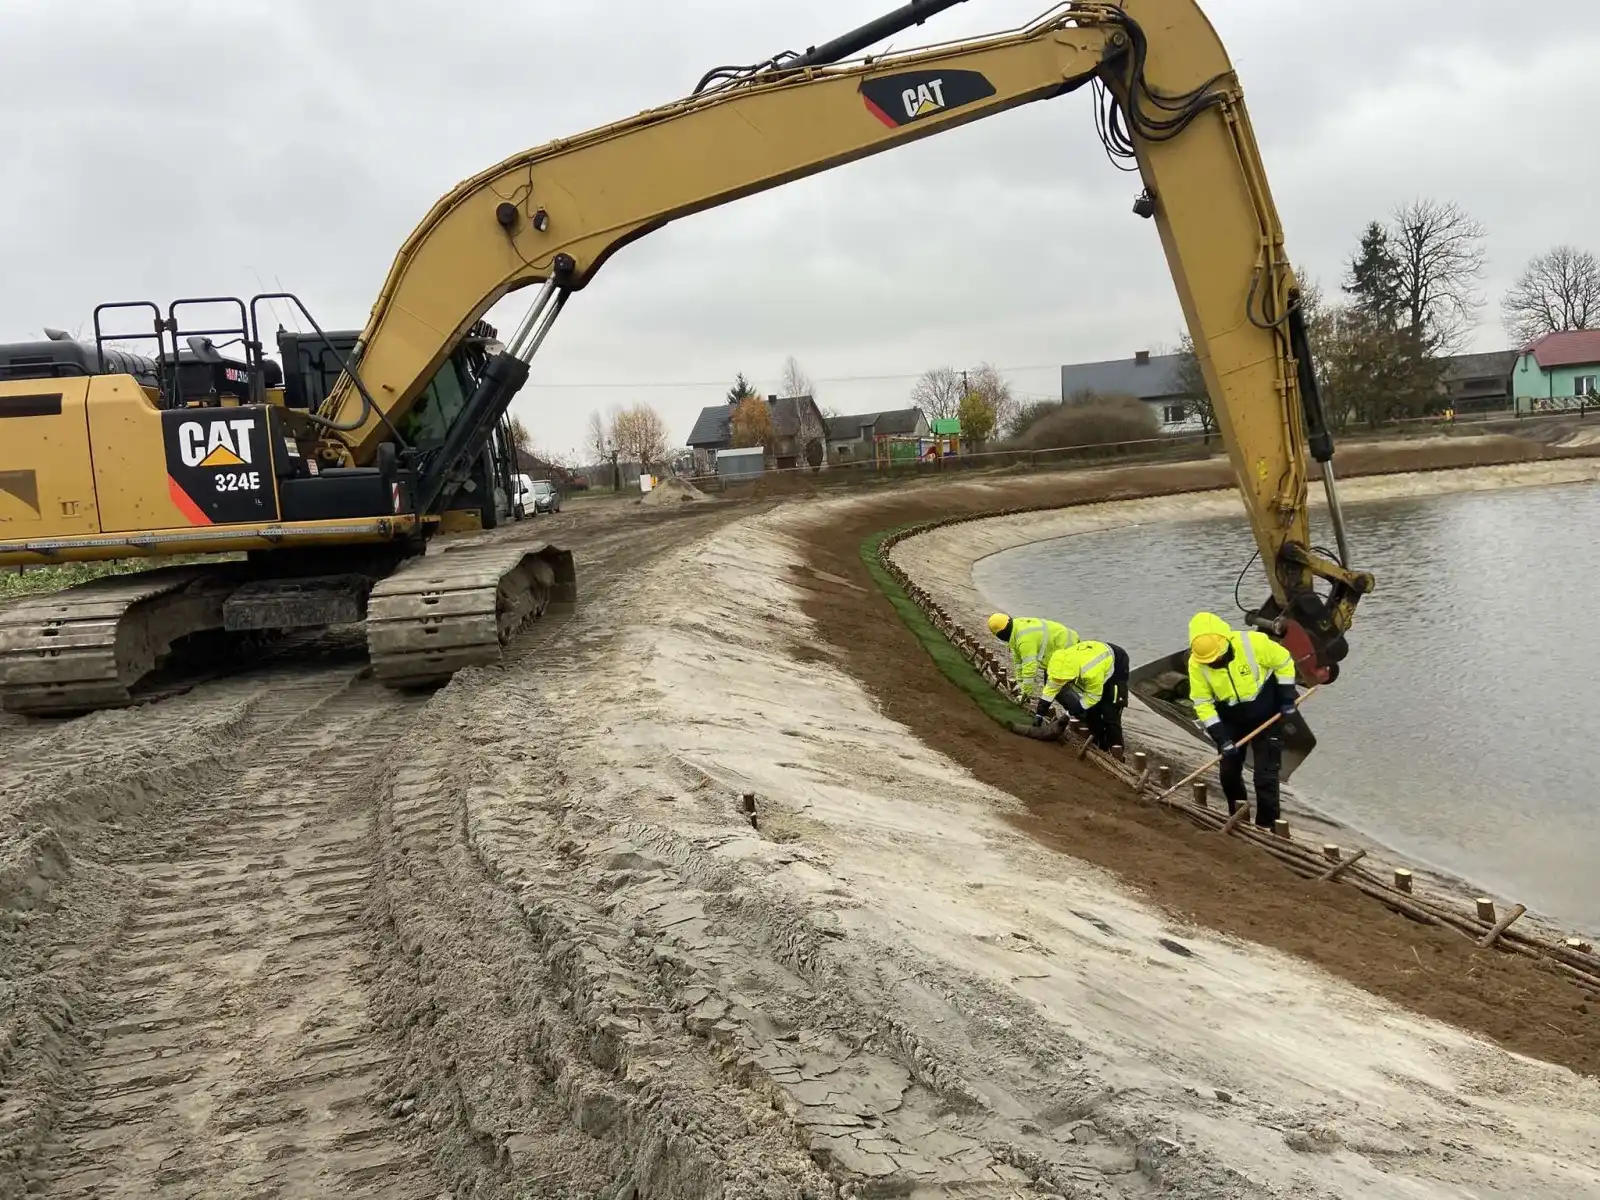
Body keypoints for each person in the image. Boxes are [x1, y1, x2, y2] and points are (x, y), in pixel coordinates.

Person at [1186, 611, 1299, 828]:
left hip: (1268, 716)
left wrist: (1286, 696)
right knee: (1228, 773)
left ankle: (1267, 826)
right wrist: (1221, 738)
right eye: (1210, 661)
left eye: (1217, 658)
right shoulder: (1196, 664)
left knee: (1265, 777)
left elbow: (1284, 661)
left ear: (1225, 643)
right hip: (1231, 720)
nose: (1214, 662)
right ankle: (1239, 818)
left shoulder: (1253, 643)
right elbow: (1202, 703)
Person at [1033, 638, 1131, 750]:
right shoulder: (1058, 666)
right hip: (1092, 655)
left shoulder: (1090, 672)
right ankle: (1099, 745)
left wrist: (1070, 713)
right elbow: (1050, 689)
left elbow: (1093, 697)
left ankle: (1116, 751)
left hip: (1116, 663)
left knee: (1110, 713)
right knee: (1092, 712)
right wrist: (1039, 713)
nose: (1061, 682)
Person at [987, 612, 1079, 704]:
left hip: (1067, 648)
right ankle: (1077, 708)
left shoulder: (1024, 639)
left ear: (1001, 634)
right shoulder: (1016, 630)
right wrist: (1020, 683)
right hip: (1057, 649)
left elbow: (1029, 667)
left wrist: (1025, 693)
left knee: (1057, 689)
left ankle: (1081, 710)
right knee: (1053, 687)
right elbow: (1018, 662)